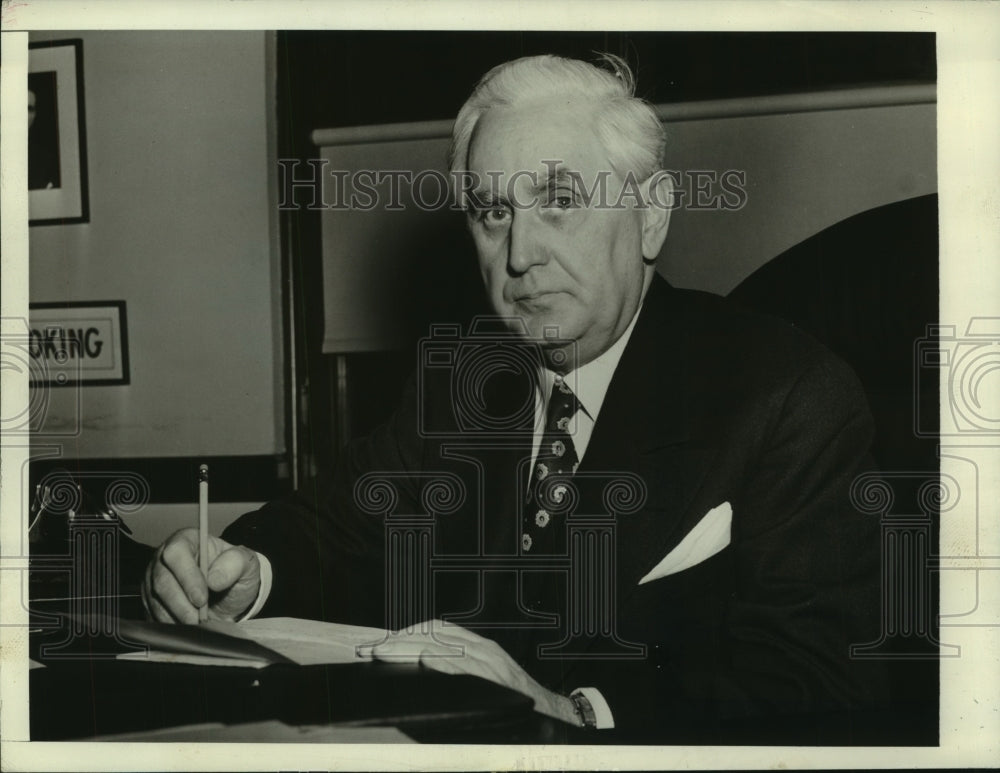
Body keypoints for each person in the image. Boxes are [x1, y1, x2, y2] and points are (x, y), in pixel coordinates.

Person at [142, 54, 890, 743]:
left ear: (651, 213)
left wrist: (573, 711)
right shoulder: (463, 383)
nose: (521, 253)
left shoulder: (787, 395)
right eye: (493, 212)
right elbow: (338, 531)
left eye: (559, 198)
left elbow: (819, 679)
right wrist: (242, 568)